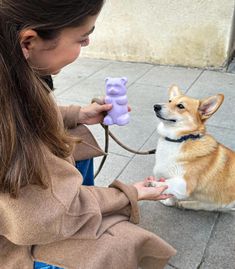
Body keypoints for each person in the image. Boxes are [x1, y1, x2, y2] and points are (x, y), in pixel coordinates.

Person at [0, 1, 176, 269]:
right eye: (82, 38)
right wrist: (130, 193)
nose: (88, 43)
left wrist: (77, 114)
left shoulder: (12, 65)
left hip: (32, 206)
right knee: (122, 242)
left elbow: (26, 112)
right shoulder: (14, 140)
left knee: (78, 135)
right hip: (14, 239)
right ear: (28, 42)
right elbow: (46, 216)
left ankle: (81, 193)